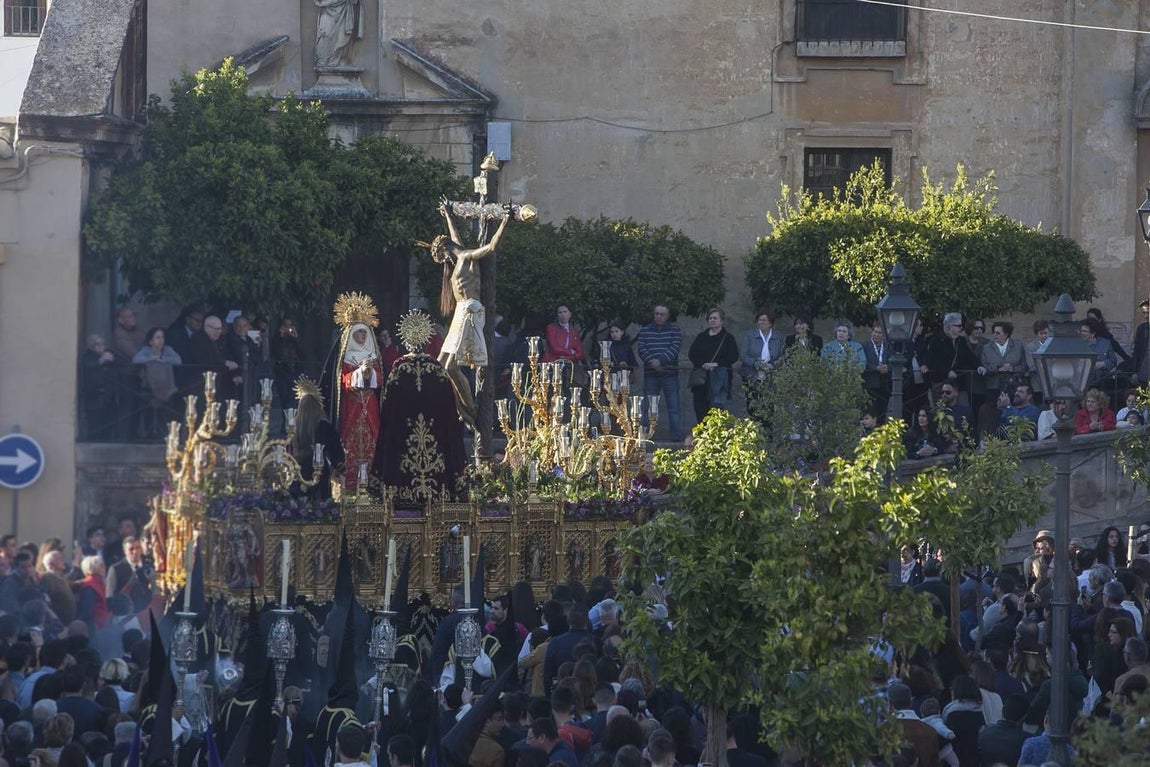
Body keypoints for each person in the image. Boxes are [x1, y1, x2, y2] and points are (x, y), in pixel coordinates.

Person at [422, 200, 512, 430]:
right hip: (461, 313)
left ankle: (470, 409)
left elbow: (491, 247)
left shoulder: (465, 258)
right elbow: (454, 239)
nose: (444, 263)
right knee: (440, 367)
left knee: (451, 367)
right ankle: (460, 408)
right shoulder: (459, 255)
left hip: (470, 310)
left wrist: (505, 220)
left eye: (442, 257)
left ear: (444, 250)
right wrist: (448, 215)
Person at [324, 316, 382, 489]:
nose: (363, 335)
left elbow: (380, 380)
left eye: (365, 332)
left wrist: (370, 373)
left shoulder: (373, 355)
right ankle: (349, 482)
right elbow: (342, 381)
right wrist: (359, 373)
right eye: (359, 332)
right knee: (349, 441)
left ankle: (372, 481)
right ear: (351, 335)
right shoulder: (346, 356)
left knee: (372, 440)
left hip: (370, 406)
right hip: (351, 406)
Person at [291, 378, 344, 501]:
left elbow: (288, 451)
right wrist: (339, 466)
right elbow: (336, 451)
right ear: (317, 407)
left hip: (298, 469)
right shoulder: (324, 427)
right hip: (319, 470)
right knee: (320, 504)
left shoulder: (293, 428)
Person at [636, 306, 683, 442]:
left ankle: (675, 436)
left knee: (673, 407)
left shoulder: (675, 330)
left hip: (670, 374)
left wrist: (660, 361)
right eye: (656, 314)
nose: (659, 317)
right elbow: (642, 348)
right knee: (648, 407)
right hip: (651, 374)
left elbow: (675, 348)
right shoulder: (645, 331)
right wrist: (652, 362)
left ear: (668, 316)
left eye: (662, 314)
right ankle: (647, 435)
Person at [687, 308, 739, 422]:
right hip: (701, 377)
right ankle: (703, 433)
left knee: (717, 408)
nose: (712, 320)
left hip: (719, 377)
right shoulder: (701, 337)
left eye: (715, 318)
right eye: (710, 318)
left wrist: (716, 364)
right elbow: (692, 354)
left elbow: (733, 356)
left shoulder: (728, 338)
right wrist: (703, 364)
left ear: (722, 321)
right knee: (700, 407)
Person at [132, 327, 182, 433]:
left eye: (162, 337)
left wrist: (162, 360)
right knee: (149, 414)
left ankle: (165, 434)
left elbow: (178, 360)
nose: (161, 340)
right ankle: (149, 434)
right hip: (149, 388)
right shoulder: (146, 350)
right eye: (157, 337)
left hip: (167, 387)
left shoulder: (167, 350)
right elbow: (136, 359)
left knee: (166, 414)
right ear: (151, 341)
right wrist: (152, 359)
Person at [80, 335, 117, 440]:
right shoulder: (88, 357)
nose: (101, 347)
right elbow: (89, 366)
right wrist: (102, 360)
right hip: (93, 396)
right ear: (91, 346)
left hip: (106, 396)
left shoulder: (106, 356)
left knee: (106, 423)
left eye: (102, 344)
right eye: (97, 345)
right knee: (94, 424)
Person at [978, 321, 1026, 396]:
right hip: (993, 387)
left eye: (998, 333)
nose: (995, 335)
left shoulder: (1018, 346)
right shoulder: (987, 348)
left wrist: (1012, 369)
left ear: (1006, 334)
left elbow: (1024, 366)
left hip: (1014, 386)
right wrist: (998, 369)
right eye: (994, 332)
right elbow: (984, 367)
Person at [314, 0, 363, 68]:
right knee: (326, 33)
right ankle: (324, 60)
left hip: (344, 8)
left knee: (342, 35)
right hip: (327, 7)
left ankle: (339, 59)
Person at [740, 310, 784, 380]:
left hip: (772, 374)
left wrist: (772, 366)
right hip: (751, 374)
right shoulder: (750, 335)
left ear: (770, 323)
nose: (761, 322)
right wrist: (756, 363)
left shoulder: (778, 337)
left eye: (764, 320)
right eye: (759, 320)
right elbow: (743, 355)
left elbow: (782, 356)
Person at [544, 305, 586, 372]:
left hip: (570, 366)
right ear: (557, 315)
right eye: (560, 313)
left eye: (565, 312)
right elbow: (554, 348)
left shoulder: (574, 332)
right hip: (553, 364)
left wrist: (567, 358)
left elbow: (580, 354)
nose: (563, 315)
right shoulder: (551, 328)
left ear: (570, 314)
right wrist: (571, 352)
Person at [1024, 319, 1050, 405]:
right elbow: (1031, 366)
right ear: (1037, 334)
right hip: (1037, 383)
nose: (1044, 336)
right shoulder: (1030, 347)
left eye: (1045, 333)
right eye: (1041, 333)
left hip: (1051, 382)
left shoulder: (1053, 345)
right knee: (1038, 404)